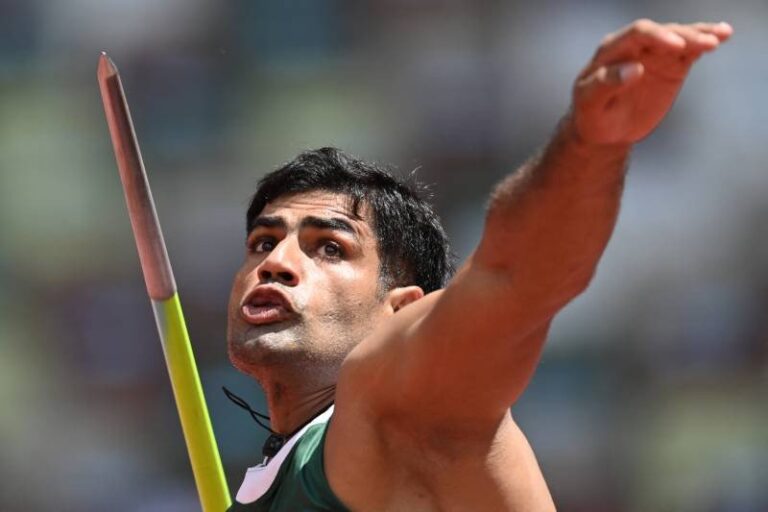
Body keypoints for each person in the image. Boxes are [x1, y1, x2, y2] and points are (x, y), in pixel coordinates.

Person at [225, 19, 732, 511]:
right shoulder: (288, 474)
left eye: (330, 248)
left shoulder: (398, 408)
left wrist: (591, 143)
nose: (277, 262)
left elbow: (511, 280)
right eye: (263, 242)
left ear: (401, 309)